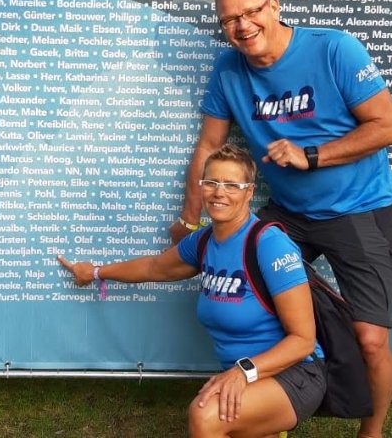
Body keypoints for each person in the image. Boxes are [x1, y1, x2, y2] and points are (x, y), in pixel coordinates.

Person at [168, 0, 392, 438]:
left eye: (251, 11)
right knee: (254, 301)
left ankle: (371, 432)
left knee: (370, 339)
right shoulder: (228, 70)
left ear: (274, 7)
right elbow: (208, 146)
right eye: (230, 20)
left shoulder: (334, 49)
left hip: (358, 208)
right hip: (289, 213)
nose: (243, 25)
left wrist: (310, 155)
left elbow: (387, 127)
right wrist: (189, 219)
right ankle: (269, 408)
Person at [59, 145, 326, 438]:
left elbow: (302, 340)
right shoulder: (203, 241)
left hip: (294, 373)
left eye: (231, 185)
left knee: (206, 415)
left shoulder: (270, 243)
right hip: (245, 377)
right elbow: (154, 268)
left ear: (249, 192)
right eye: (211, 182)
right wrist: (96, 272)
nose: (219, 192)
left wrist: (243, 371)